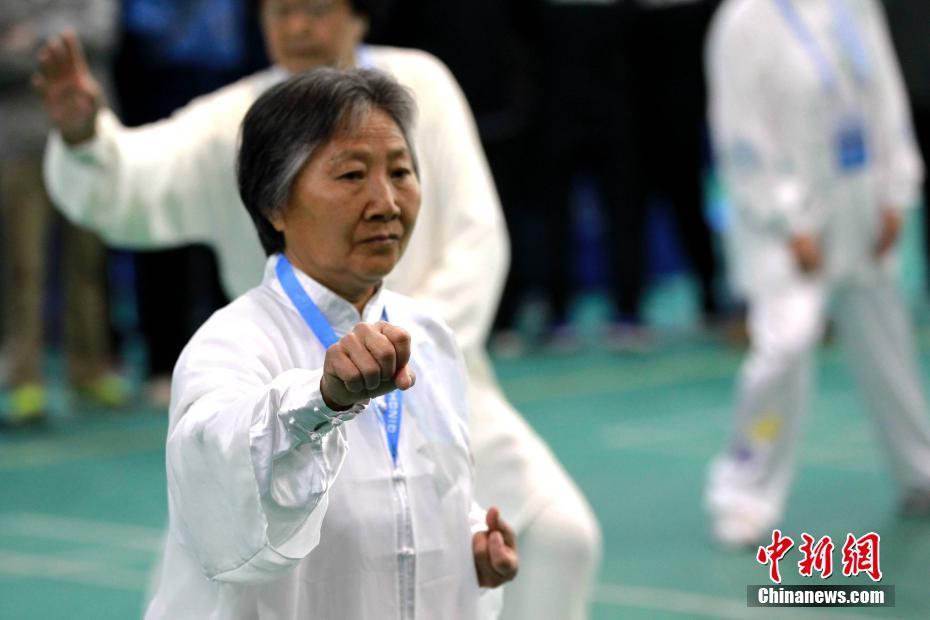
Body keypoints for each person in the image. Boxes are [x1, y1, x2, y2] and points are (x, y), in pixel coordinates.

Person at [36, 1, 601, 617]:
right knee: (230, 555)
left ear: (361, 15)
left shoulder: (422, 89)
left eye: (316, 8)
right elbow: (137, 179)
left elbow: (476, 238)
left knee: (559, 535)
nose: (298, 28)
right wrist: (86, 139)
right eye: (281, 11)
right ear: (273, 204)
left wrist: (401, 352)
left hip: (431, 373)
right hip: (283, 376)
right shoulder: (240, 123)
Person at [143, 68, 517, 618]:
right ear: (275, 204)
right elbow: (219, 483)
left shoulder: (430, 337)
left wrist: (467, 551)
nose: (386, 202)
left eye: (401, 171)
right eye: (351, 176)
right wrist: (321, 400)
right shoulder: (231, 342)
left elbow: (414, 487)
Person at [705, 0, 930, 547]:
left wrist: (895, 190)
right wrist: (787, 217)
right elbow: (738, 132)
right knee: (785, 346)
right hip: (786, 222)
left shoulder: (857, 6)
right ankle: (743, 488)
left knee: (888, 344)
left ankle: (919, 469)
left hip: (860, 199)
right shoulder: (744, 21)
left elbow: (885, 97)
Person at [1, 0, 127, 426]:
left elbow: (101, 35)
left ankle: (89, 371)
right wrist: (60, 38)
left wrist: (28, 36)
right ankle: (25, 379)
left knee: (88, 266)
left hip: (88, 144)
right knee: (24, 269)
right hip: (17, 147)